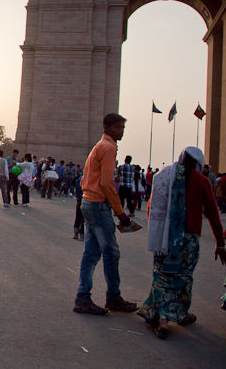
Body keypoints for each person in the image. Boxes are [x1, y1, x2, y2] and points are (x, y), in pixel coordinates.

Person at [138, 146, 226, 338]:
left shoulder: (165, 176)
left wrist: (158, 230)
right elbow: (213, 214)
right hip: (189, 238)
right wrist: (220, 244)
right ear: (199, 163)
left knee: (162, 276)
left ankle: (162, 317)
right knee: (182, 276)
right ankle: (177, 314)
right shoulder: (202, 181)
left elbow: (152, 206)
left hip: (165, 237)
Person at [73, 113, 137, 315]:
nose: (122, 131)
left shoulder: (99, 146)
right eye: (118, 128)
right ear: (107, 128)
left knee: (91, 254)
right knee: (111, 252)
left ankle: (83, 298)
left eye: (123, 128)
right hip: (99, 205)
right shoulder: (109, 148)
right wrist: (120, 213)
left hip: (89, 202)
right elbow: (107, 183)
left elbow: (86, 179)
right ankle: (113, 297)